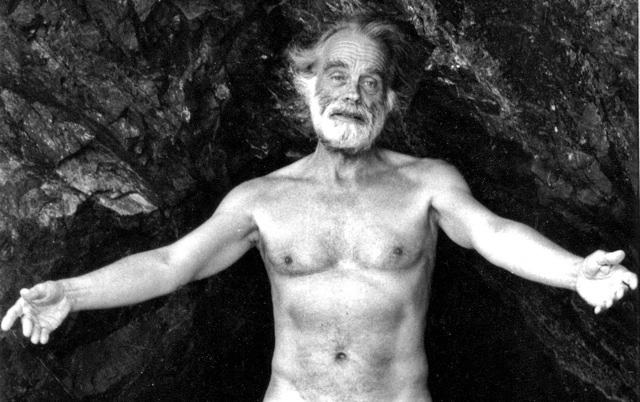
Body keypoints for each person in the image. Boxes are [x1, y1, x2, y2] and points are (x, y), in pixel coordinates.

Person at [1, 18, 637, 402]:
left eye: (370, 82)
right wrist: (73, 293)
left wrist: (573, 272)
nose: (352, 93)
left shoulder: (427, 184)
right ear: (308, 86)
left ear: (388, 101)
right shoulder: (260, 199)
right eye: (337, 75)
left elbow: (493, 233)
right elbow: (172, 263)